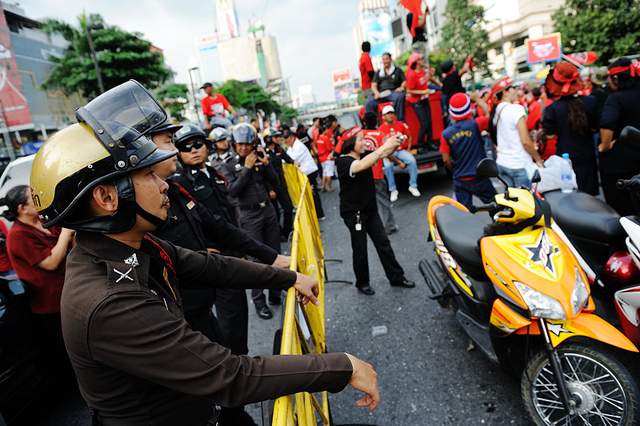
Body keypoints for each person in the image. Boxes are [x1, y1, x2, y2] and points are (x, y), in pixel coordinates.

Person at [30, 81, 379, 425]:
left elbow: (208, 266)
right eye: (149, 174)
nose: (164, 183)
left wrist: (288, 277)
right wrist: (342, 367)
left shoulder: (126, 247)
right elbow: (231, 377)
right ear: (107, 198)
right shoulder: (110, 301)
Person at [148, 122, 288, 426]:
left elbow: (220, 225)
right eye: (169, 142)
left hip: (208, 288)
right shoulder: (138, 206)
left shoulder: (176, 187)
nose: (178, 149)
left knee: (230, 363)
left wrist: (275, 259)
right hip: (181, 308)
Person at [3, 185, 75, 383]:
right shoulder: (18, 235)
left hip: (70, 289)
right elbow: (51, 263)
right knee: (70, 352)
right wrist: (66, 234)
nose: (39, 200)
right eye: (33, 199)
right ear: (22, 209)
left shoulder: (43, 221)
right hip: (51, 303)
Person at [336, 128, 415, 295]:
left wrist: (397, 141)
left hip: (370, 210)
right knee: (360, 249)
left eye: (364, 139)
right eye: (360, 140)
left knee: (383, 244)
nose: (364, 142)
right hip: (354, 214)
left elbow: (383, 152)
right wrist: (384, 147)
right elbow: (364, 164)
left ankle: (396, 277)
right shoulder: (343, 162)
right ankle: (362, 283)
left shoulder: (365, 154)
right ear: (350, 144)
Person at [217, 123, 283, 319]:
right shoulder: (228, 164)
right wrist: (246, 168)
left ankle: (275, 292)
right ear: (234, 144)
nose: (244, 148)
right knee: (256, 260)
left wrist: (266, 163)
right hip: (249, 215)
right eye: (240, 145)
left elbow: (275, 182)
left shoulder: (259, 158)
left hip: (268, 211)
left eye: (247, 144)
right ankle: (259, 301)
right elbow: (233, 192)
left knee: (275, 252)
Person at [543, 62, 600, 195]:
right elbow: (595, 127)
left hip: (565, 159)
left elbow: (550, 135)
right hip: (587, 156)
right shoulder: (591, 102)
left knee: (571, 199)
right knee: (590, 197)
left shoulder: (552, 109)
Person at [440, 93, 496, 210]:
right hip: (479, 176)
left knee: (465, 213)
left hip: (460, 180)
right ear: (468, 109)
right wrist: (477, 99)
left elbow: (446, 160)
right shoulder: (476, 124)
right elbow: (490, 115)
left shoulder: (446, 134)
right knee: (498, 206)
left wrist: (455, 169)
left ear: (451, 113)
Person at [598, 58, 640, 215]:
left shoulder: (615, 99)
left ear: (615, 78)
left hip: (620, 166)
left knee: (623, 211)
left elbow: (607, 123)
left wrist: (605, 145)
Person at [489, 76, 543, 188]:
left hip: (502, 163)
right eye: (512, 87)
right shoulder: (515, 109)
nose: (516, 91)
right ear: (505, 92)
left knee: (512, 203)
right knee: (526, 203)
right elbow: (525, 142)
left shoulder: (497, 110)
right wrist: (538, 159)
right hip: (518, 165)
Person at [361, 112, 398, 234]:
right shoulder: (380, 135)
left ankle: (370, 228)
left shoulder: (361, 135)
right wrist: (399, 162)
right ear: (376, 121)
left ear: (364, 122)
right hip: (377, 173)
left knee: (367, 202)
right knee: (383, 201)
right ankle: (389, 226)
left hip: (363, 173)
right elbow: (388, 152)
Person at [378, 105, 420, 201]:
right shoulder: (380, 129)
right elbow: (382, 148)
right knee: (388, 166)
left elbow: (409, 136)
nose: (391, 115)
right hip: (388, 153)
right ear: (383, 116)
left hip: (400, 151)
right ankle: (393, 190)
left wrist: (408, 150)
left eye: (392, 113)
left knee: (412, 160)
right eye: (388, 114)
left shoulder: (401, 124)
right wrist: (399, 162)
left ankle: (413, 186)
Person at [283, 125, 326, 220]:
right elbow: (287, 157)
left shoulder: (299, 146)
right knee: (308, 194)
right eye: (285, 140)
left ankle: (320, 214)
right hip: (304, 173)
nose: (286, 142)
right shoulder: (292, 146)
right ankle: (314, 214)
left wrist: (283, 158)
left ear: (292, 137)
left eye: (287, 139)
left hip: (309, 172)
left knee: (313, 194)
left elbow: (291, 159)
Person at [265, 129, 294, 240]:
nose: (278, 139)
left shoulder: (278, 149)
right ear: (269, 139)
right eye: (276, 137)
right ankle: (278, 233)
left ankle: (286, 232)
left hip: (281, 184)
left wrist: (294, 162)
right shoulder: (264, 152)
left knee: (288, 208)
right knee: (275, 213)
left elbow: (288, 159)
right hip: (272, 187)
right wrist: (270, 189)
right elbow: (264, 173)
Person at [365, 52, 407, 121]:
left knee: (400, 97)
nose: (385, 61)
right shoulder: (379, 72)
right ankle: (372, 124)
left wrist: (401, 87)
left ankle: (399, 120)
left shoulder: (397, 70)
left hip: (392, 93)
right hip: (381, 94)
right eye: (383, 59)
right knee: (369, 102)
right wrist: (376, 92)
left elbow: (404, 81)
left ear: (390, 59)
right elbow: (373, 85)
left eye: (387, 59)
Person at [406, 52, 433, 147]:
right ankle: (420, 144)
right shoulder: (412, 75)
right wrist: (424, 92)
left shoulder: (422, 72)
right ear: (416, 61)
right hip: (417, 102)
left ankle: (430, 142)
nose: (423, 60)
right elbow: (409, 90)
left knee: (429, 122)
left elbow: (425, 82)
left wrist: (429, 74)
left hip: (425, 100)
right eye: (421, 59)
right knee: (424, 123)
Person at [317, 120, 336, 192]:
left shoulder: (319, 138)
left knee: (324, 173)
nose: (327, 131)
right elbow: (329, 148)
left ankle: (323, 187)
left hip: (321, 158)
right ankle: (329, 188)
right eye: (326, 130)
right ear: (324, 130)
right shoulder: (325, 138)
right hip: (327, 157)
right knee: (329, 173)